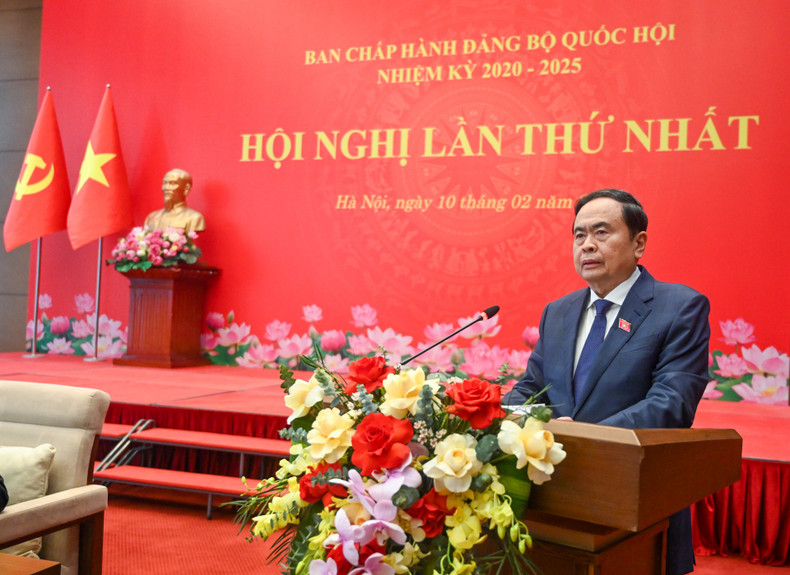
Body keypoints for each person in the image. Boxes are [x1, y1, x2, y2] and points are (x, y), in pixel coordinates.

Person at [505, 189, 710, 575]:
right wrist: (503, 419)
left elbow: (671, 404)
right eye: (579, 235)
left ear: (639, 243)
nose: (587, 245)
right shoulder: (559, 312)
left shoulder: (680, 307)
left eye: (601, 232)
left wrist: (580, 436)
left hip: (636, 505)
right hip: (554, 504)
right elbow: (532, 388)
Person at [144, 168, 206, 234]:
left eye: (173, 183)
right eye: (165, 183)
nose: (166, 188)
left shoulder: (194, 218)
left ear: (186, 188)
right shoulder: (151, 217)